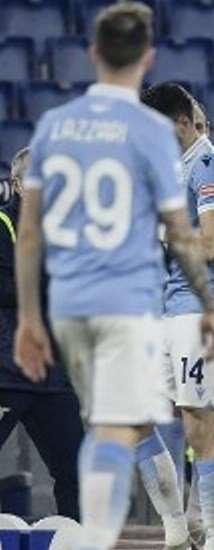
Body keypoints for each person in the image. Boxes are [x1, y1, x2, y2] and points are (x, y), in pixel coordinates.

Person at [14, 2, 214, 550]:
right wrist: (208, 303)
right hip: (126, 301)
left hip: (70, 302)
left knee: (112, 427)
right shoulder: (150, 135)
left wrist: (29, 316)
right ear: (147, 58)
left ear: (93, 54)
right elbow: (179, 234)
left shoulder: (55, 127)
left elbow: (30, 232)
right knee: (113, 432)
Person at [138, 82, 214, 550]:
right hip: (171, 309)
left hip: (204, 311)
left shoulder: (209, 166)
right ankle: (177, 540)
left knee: (202, 429)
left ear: (181, 123)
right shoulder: (176, 170)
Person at [0, 148, 83, 519]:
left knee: (76, 472)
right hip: (7, 370)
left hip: (52, 375)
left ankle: (78, 548)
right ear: (18, 185)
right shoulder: (3, 223)